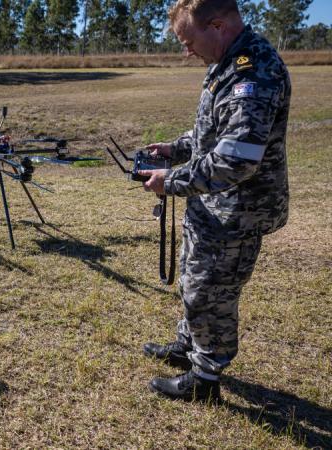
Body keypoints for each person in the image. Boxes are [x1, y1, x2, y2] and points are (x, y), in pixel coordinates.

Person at [138, 0, 290, 401]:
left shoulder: (254, 71)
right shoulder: (224, 64)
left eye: (189, 41)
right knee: (193, 280)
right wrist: (174, 149)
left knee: (211, 293)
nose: (186, 51)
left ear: (218, 26)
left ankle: (204, 380)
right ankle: (188, 346)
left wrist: (170, 180)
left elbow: (235, 160)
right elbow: (210, 135)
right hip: (211, 205)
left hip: (238, 210)